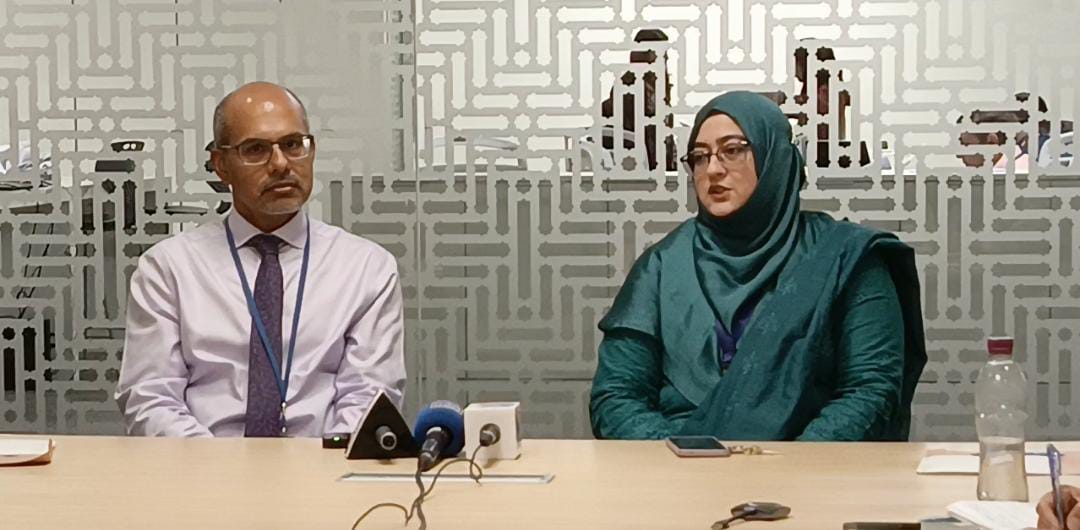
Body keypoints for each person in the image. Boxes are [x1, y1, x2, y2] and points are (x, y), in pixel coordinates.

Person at [589, 91, 927, 441]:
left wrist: (788, 467)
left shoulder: (846, 259)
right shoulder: (662, 266)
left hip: (812, 479)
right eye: (700, 157)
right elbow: (616, 395)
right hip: (678, 473)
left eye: (732, 150)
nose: (713, 169)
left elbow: (871, 390)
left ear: (774, 157)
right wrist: (683, 458)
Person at [115, 82, 406, 437]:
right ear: (221, 166)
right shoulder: (168, 269)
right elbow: (151, 400)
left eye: (293, 144)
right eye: (255, 149)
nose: (281, 164)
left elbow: (369, 399)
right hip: (203, 477)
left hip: (322, 475)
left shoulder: (366, 269)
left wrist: (320, 473)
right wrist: (223, 476)